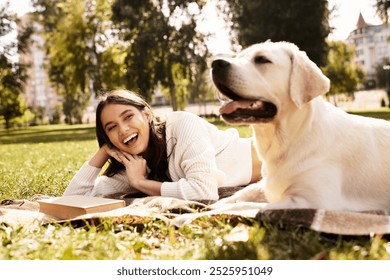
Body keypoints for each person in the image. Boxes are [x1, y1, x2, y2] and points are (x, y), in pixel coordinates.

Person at [64, 89, 262, 201]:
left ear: (147, 115)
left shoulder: (183, 124)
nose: (123, 130)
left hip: (279, 156)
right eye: (111, 127)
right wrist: (104, 152)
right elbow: (73, 199)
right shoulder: (135, 165)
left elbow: (204, 192)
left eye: (128, 117)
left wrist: (141, 184)